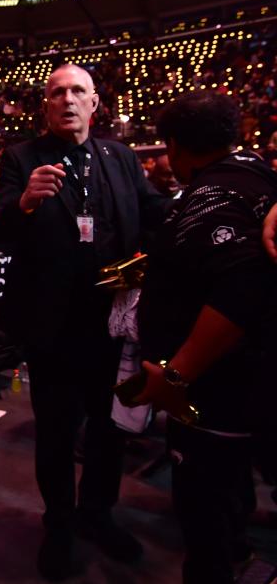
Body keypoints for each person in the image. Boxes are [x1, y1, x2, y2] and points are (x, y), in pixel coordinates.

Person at [0, 64, 167, 580]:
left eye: (77, 91)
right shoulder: (22, 158)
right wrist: (23, 202)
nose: (66, 99)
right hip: (52, 331)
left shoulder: (122, 157)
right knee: (56, 435)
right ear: (45, 105)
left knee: (110, 431)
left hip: (112, 327)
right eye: (56, 92)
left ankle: (98, 514)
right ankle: (60, 526)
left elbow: (157, 215)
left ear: (94, 103)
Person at [135, 90, 277, 584]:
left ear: (173, 146)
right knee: (235, 490)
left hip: (218, 396)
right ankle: (238, 552)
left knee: (204, 514)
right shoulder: (258, 173)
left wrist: (176, 374)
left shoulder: (209, 200)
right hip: (252, 388)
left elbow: (240, 293)